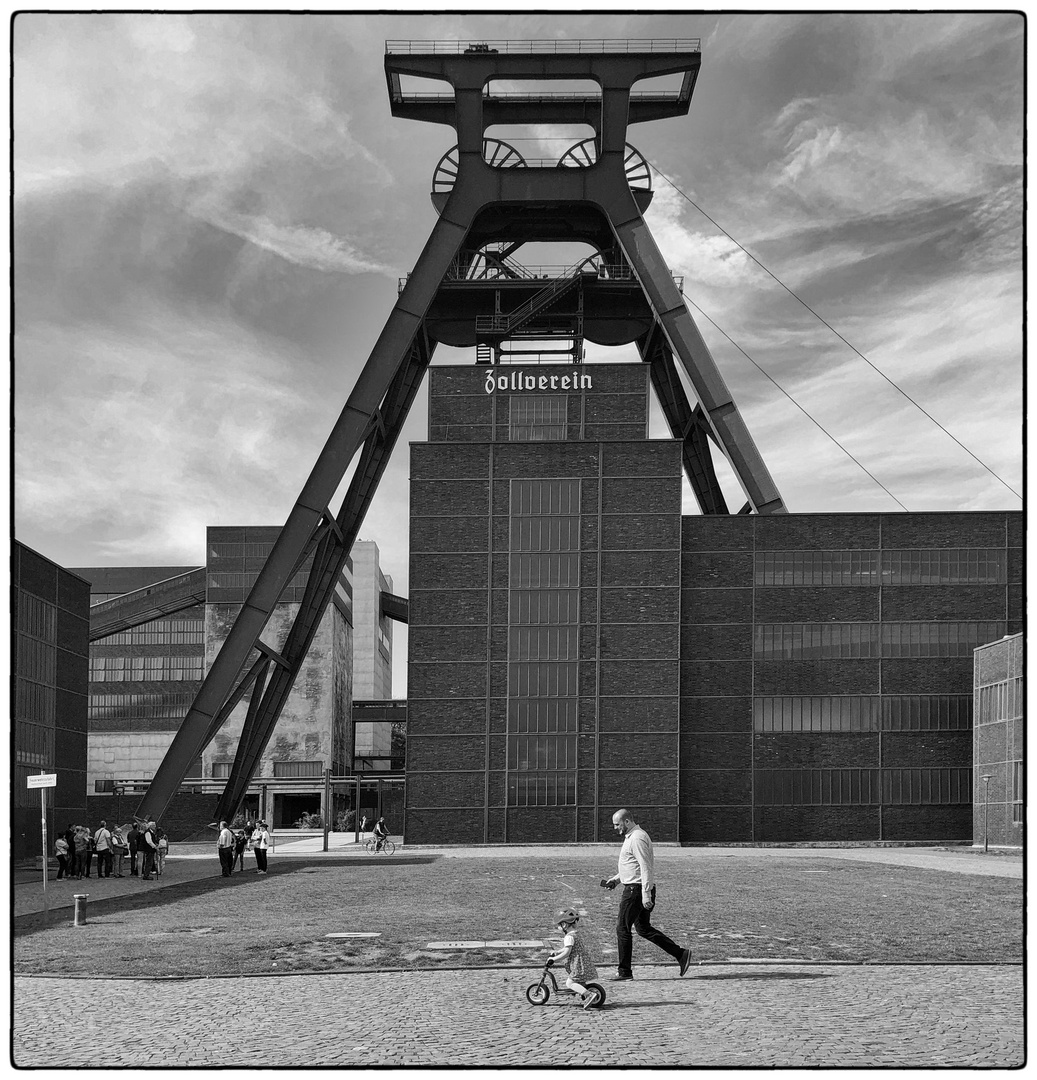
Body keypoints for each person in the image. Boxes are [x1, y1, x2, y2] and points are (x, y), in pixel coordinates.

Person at [602, 808, 691, 981]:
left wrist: (646, 894)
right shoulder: (633, 837)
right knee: (643, 929)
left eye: (617, 824)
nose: (615, 828)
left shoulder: (637, 838)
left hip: (636, 891)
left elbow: (645, 867)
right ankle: (681, 954)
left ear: (627, 821)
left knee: (622, 928)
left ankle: (624, 972)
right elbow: (633, 866)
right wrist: (616, 880)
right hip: (635, 887)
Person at [546, 908, 600, 1010]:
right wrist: (558, 951)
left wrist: (554, 959)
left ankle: (588, 995)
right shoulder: (575, 934)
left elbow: (567, 952)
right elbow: (568, 948)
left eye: (559, 925)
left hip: (578, 965)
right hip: (583, 962)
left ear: (564, 925)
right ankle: (586, 992)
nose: (558, 927)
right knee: (579, 982)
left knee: (569, 983)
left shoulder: (568, 937)